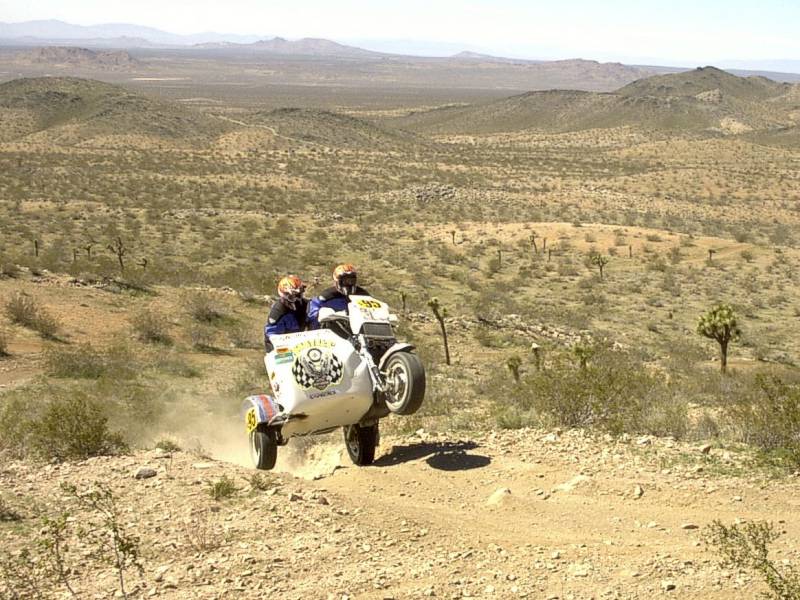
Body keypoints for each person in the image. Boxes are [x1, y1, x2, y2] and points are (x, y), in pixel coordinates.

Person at [307, 263, 369, 329]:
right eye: (345, 281)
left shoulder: (363, 294)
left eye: (351, 280)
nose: (349, 283)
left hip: (360, 331)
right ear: (337, 281)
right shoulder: (326, 296)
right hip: (331, 332)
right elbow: (312, 315)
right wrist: (326, 315)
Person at [264, 275, 308, 352]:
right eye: (292, 297)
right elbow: (272, 337)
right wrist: (283, 353)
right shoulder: (278, 313)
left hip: (302, 343)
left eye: (298, 295)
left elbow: (315, 319)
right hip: (284, 348)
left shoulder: (306, 305)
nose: (297, 299)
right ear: (285, 296)